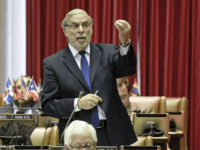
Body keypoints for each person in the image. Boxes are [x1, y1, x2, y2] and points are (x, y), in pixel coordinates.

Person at [41, 8, 137, 147]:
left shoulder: (108, 52)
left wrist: (124, 41)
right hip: (78, 139)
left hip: (113, 132)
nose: (81, 30)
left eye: (85, 25)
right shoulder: (53, 64)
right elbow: (48, 105)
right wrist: (77, 104)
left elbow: (127, 69)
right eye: (75, 26)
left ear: (91, 29)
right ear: (65, 31)